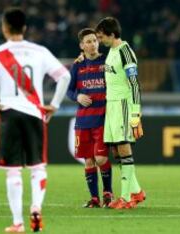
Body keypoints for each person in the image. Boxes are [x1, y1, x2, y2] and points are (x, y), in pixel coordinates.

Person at [0, 7, 70, 233]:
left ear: (4, 28)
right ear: (24, 28)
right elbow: (64, 76)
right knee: (37, 167)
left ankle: (18, 223)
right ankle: (36, 207)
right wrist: (53, 104)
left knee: (13, 171)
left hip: (9, 113)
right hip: (35, 113)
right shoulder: (40, 51)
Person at [95, 17, 145, 209]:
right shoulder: (111, 51)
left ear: (112, 34)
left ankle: (125, 197)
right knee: (116, 150)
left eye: (102, 37)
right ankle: (137, 191)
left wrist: (135, 113)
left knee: (124, 149)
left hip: (124, 105)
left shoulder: (125, 51)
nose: (100, 40)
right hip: (112, 105)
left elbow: (134, 84)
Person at [67, 28, 113, 208]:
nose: (92, 44)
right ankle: (95, 199)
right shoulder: (77, 66)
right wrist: (77, 97)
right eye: (88, 41)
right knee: (88, 159)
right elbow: (69, 90)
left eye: (94, 40)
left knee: (100, 158)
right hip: (83, 120)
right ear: (81, 45)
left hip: (101, 119)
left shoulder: (107, 62)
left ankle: (108, 193)